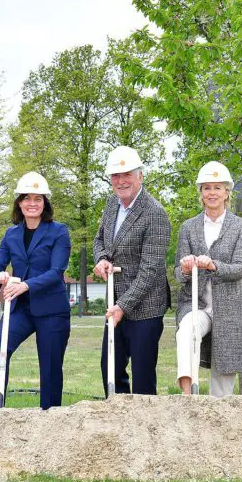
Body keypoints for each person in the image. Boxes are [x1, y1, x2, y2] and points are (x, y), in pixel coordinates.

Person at [0, 172, 72, 410]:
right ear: (19, 203)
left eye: (37, 199)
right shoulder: (11, 234)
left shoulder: (59, 232)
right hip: (21, 309)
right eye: (26, 198)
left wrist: (25, 285)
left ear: (45, 203)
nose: (32, 203)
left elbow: (56, 272)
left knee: (50, 367)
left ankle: (50, 416)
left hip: (52, 311)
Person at [92, 146, 171, 395]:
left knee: (143, 378)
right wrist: (102, 258)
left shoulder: (155, 213)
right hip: (115, 302)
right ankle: (118, 417)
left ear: (140, 176)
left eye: (127, 174)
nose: (121, 181)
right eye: (115, 175)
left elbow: (150, 269)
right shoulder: (111, 204)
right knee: (110, 369)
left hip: (146, 308)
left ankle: (145, 420)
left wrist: (122, 306)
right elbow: (100, 240)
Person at [173, 161, 242, 397]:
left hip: (229, 308)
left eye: (218, 187)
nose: (212, 193)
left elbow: (241, 268)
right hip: (196, 305)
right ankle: (188, 396)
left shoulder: (240, 226)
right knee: (186, 331)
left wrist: (213, 265)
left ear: (227, 192)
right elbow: (178, 274)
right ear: (201, 192)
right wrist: (186, 268)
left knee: (223, 385)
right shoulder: (188, 227)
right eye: (207, 188)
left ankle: (220, 412)